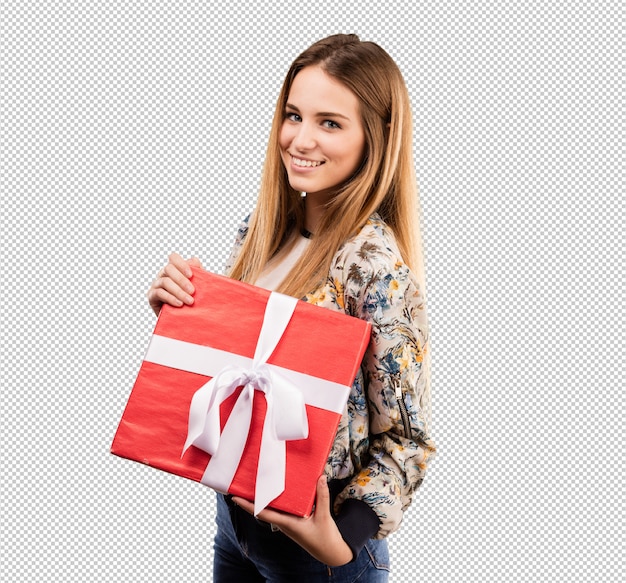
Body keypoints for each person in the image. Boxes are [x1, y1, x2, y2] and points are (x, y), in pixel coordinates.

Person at [147, 33, 436, 583]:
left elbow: (407, 441)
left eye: (330, 123)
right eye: (293, 115)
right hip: (234, 521)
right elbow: (244, 374)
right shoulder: (261, 232)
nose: (300, 139)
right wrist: (179, 317)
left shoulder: (374, 270)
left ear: (376, 139)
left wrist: (337, 541)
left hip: (318, 557)